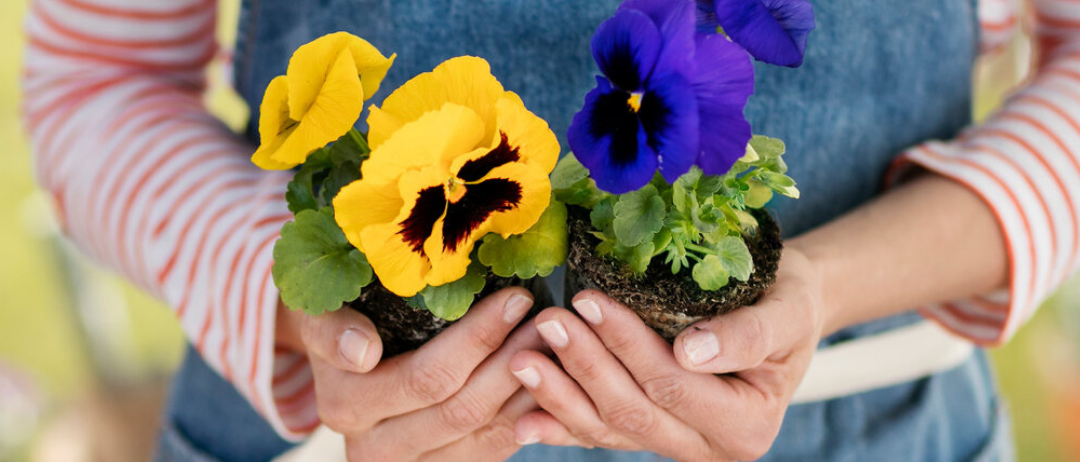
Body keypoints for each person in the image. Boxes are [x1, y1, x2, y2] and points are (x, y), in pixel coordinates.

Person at [21, 0, 1080, 460]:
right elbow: (96, 82)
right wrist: (312, 327)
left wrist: (827, 284)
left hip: (867, 432)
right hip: (337, 443)